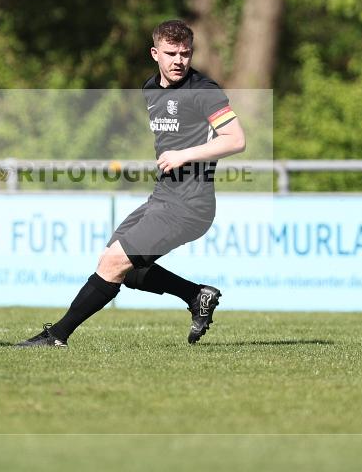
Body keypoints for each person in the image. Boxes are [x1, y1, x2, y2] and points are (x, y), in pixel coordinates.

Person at [18, 20, 245, 347]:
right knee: (116, 262)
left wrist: (185, 155)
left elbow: (236, 139)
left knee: (114, 263)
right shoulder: (150, 89)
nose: (179, 60)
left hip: (190, 206)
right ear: (155, 53)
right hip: (162, 197)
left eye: (185, 53)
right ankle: (196, 295)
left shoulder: (204, 91)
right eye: (171, 53)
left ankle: (56, 336)